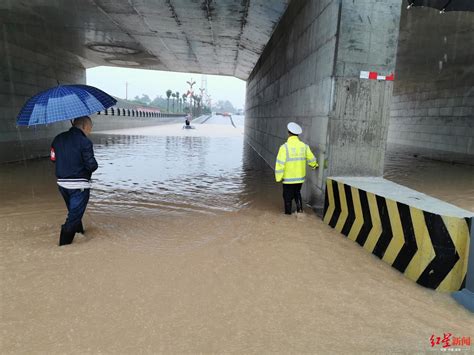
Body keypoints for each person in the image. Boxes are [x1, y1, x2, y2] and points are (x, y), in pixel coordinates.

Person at [50, 116, 98, 246]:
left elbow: (53, 159)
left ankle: (80, 234)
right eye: (90, 127)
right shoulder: (85, 142)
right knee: (73, 217)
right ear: (84, 126)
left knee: (74, 213)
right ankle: (63, 247)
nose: (90, 130)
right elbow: (92, 165)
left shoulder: (57, 139)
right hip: (79, 185)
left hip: (62, 185)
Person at [275, 122, 318, 215]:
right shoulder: (304, 146)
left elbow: (280, 164)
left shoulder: (284, 147)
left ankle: (288, 215)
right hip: (299, 178)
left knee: (287, 197)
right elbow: (311, 158)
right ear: (298, 134)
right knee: (297, 193)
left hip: (288, 179)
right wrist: (314, 165)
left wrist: (278, 177)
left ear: (288, 133)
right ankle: (300, 211)